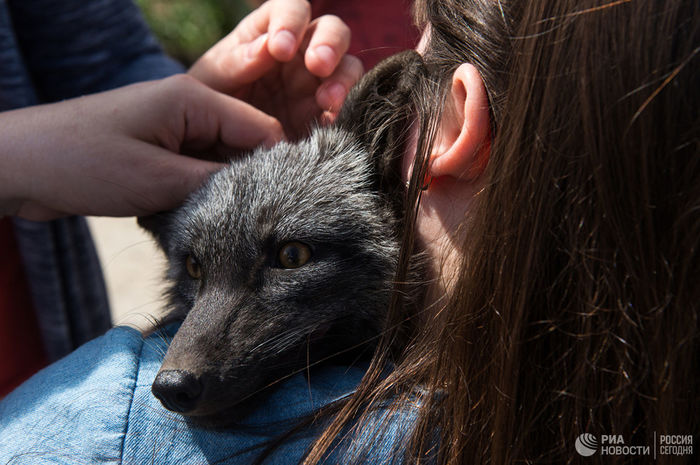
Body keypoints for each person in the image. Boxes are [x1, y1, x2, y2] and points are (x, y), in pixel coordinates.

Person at [1, 0, 698, 463]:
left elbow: (95, 60)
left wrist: (24, 158)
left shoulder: (105, 425)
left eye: (421, 39)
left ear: (457, 116)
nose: (176, 366)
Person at [0, 0, 362, 395]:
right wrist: (22, 157)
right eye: (194, 268)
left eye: (292, 257)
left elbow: (107, 60)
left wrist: (209, 106)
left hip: (37, 352)